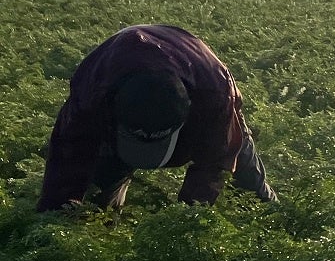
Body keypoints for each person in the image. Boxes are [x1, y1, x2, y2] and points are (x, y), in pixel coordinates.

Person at [38, 24, 278, 212]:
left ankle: (277, 226)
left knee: (249, 183)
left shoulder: (214, 95)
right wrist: (58, 218)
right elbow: (66, 158)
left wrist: (187, 224)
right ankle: (105, 234)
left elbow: (214, 164)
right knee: (96, 198)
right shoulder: (92, 93)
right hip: (116, 94)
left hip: (200, 77)